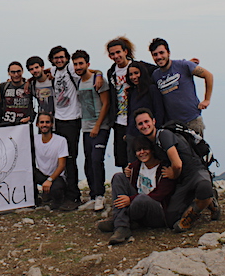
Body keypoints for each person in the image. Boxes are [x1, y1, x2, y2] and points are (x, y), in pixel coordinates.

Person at [133, 108, 218, 232]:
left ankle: (205, 203)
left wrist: (173, 174)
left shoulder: (164, 135)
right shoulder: (151, 143)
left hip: (195, 171)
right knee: (171, 219)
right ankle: (203, 200)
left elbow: (177, 164)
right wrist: (130, 169)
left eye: (147, 121)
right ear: (137, 127)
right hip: (182, 181)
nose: (144, 126)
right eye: (140, 124)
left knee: (204, 187)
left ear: (154, 121)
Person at [49, 45, 103, 208]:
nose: (59, 60)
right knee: (60, 158)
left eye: (62, 57)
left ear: (67, 58)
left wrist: (99, 74)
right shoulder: (53, 71)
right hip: (58, 119)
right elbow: (43, 72)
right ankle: (62, 192)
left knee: (70, 158)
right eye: (56, 58)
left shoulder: (72, 69)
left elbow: (91, 70)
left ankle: (73, 196)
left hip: (72, 119)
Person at [97, 135, 174, 244]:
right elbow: (130, 187)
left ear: (152, 150)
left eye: (145, 149)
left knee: (141, 199)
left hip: (156, 211)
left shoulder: (164, 169)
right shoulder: (136, 167)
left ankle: (118, 221)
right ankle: (122, 226)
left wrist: (130, 199)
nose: (142, 152)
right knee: (118, 177)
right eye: (138, 150)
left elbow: (159, 195)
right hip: (137, 207)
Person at [105, 37, 156, 168]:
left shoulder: (139, 67)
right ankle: (127, 187)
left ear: (125, 51)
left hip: (138, 121)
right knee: (123, 159)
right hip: (119, 122)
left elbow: (161, 70)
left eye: (118, 52)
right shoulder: (111, 72)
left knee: (143, 156)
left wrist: (181, 66)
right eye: (112, 54)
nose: (116, 56)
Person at [149, 38, 214, 137]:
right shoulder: (155, 75)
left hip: (192, 120)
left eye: (162, 53)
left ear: (168, 53)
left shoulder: (183, 65)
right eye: (155, 54)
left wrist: (206, 99)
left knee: (197, 152)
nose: (159, 57)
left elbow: (208, 75)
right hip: (173, 125)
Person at [72, 50, 110, 211]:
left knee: (96, 159)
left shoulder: (98, 80)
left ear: (88, 64)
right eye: (75, 64)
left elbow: (106, 104)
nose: (78, 67)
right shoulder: (78, 81)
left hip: (100, 127)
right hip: (85, 127)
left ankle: (100, 196)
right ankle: (93, 196)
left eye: (81, 63)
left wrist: (97, 126)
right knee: (88, 161)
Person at [125, 61, 164, 152]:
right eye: (130, 74)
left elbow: (159, 112)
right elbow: (130, 113)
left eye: (136, 73)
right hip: (133, 134)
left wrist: (155, 133)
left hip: (149, 134)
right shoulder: (132, 92)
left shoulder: (152, 89)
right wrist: (127, 133)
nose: (133, 77)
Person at [32, 113, 67, 210]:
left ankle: (56, 199)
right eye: (42, 122)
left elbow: (62, 165)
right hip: (41, 174)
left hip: (56, 177)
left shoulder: (61, 140)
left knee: (56, 190)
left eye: (47, 122)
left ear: (52, 124)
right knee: (28, 174)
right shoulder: (34, 139)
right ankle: (35, 199)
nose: (44, 125)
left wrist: (50, 180)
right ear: (37, 125)